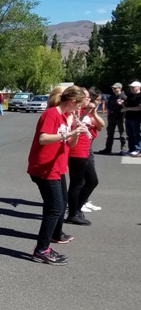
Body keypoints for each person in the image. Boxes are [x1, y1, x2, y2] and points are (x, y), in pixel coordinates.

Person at [27, 86, 88, 265]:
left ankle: (47, 243)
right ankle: (41, 250)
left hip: (57, 167)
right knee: (55, 208)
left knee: (59, 207)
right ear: (71, 102)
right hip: (44, 168)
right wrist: (69, 132)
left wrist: (76, 131)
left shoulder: (65, 117)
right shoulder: (51, 114)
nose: (79, 110)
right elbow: (43, 138)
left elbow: (69, 143)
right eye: (78, 105)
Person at [66, 87, 103, 226]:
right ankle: (73, 213)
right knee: (78, 182)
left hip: (86, 150)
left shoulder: (89, 111)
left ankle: (77, 208)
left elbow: (101, 126)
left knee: (92, 181)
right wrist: (86, 111)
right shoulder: (76, 111)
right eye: (86, 98)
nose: (89, 100)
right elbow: (73, 125)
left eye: (89, 98)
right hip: (76, 150)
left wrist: (92, 112)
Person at [97, 83, 126, 154]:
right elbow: (109, 107)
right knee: (110, 134)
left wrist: (122, 104)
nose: (114, 89)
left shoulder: (124, 97)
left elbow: (126, 107)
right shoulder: (112, 97)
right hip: (111, 117)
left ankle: (123, 149)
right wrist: (108, 114)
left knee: (122, 134)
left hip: (120, 117)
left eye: (115, 88)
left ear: (120, 88)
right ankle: (108, 148)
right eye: (113, 88)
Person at [121, 80, 141, 156]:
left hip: (136, 118)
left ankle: (138, 149)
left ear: (138, 87)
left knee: (136, 134)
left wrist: (128, 109)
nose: (131, 88)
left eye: (133, 87)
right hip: (128, 117)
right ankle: (131, 149)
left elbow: (139, 108)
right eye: (130, 87)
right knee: (129, 134)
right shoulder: (129, 95)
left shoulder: (140, 95)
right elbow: (126, 105)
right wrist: (122, 103)